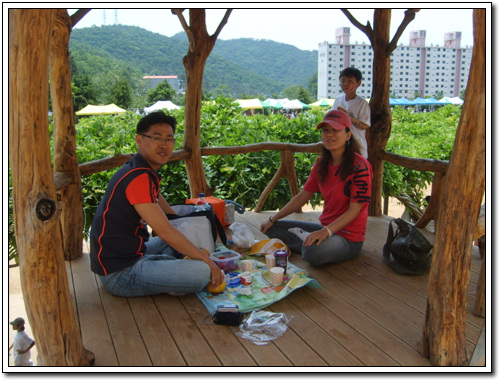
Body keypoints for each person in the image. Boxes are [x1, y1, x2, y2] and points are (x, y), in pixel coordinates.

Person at [89, 111, 224, 297]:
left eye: (169, 139)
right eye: (156, 138)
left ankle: (168, 271)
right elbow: (164, 229)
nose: (164, 145)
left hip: (130, 253)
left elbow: (163, 207)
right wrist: (208, 262)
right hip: (120, 273)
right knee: (204, 273)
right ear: (139, 140)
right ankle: (171, 275)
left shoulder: (139, 169)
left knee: (180, 238)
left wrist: (181, 226)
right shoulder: (139, 177)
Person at [260, 110, 373, 266]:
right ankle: (308, 240)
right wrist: (273, 218)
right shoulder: (321, 164)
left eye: (336, 130)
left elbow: (354, 210)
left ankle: (308, 243)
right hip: (324, 227)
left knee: (312, 253)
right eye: (326, 130)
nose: (329, 135)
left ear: (348, 135)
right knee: (272, 228)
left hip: (348, 238)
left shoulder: (360, 167)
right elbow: (302, 197)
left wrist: (325, 232)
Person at [331, 67, 371, 158]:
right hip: (340, 146)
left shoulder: (362, 103)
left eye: (350, 81)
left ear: (358, 83)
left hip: (358, 147)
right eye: (343, 81)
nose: (346, 84)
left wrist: (347, 117)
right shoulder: (338, 99)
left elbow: (364, 126)